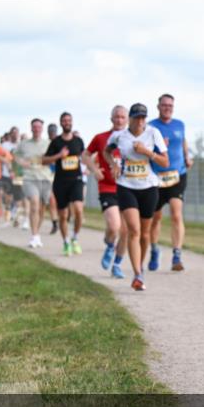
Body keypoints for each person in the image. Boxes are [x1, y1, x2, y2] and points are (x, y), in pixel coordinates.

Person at [104, 103, 169, 291]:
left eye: (143, 118)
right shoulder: (119, 136)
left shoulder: (153, 133)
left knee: (145, 233)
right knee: (133, 229)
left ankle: (140, 268)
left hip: (149, 187)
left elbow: (165, 161)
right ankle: (138, 274)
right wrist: (113, 165)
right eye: (137, 117)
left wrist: (147, 152)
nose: (140, 121)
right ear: (130, 119)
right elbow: (107, 152)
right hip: (126, 186)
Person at [85, 105, 130, 278]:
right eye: (116, 117)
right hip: (108, 187)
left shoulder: (132, 140)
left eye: (122, 117)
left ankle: (117, 264)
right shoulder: (101, 138)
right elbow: (85, 155)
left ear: (127, 120)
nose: (119, 120)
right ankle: (110, 245)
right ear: (111, 119)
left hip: (128, 188)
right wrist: (94, 170)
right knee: (114, 226)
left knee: (126, 231)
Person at [148, 93, 192, 272]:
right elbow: (145, 150)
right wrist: (159, 147)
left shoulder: (179, 125)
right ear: (158, 107)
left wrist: (188, 157)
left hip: (177, 175)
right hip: (156, 177)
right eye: (164, 105)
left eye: (170, 106)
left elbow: (183, 143)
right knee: (155, 217)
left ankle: (176, 255)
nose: (167, 108)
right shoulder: (150, 127)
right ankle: (154, 250)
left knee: (176, 213)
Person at [42, 112, 86, 256]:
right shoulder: (56, 142)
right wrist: (59, 156)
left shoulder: (78, 141)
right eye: (64, 121)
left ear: (72, 122)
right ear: (61, 123)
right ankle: (66, 242)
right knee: (63, 215)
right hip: (60, 182)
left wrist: (94, 168)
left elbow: (85, 157)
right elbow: (44, 160)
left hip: (76, 180)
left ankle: (75, 238)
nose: (67, 123)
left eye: (69, 120)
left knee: (78, 209)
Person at [16, 118, 55, 248]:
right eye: (35, 127)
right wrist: (21, 162)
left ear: (42, 129)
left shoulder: (48, 143)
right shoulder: (24, 144)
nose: (37, 129)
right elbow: (15, 155)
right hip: (30, 178)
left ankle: (37, 234)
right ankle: (34, 236)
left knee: (42, 209)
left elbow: (54, 159)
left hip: (45, 178)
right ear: (31, 128)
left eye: (39, 127)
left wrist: (47, 160)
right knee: (34, 203)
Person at [46, 122, 60, 235]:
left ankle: (62, 219)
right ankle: (55, 222)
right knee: (52, 199)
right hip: (48, 175)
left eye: (54, 132)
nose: (52, 134)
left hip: (62, 175)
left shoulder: (61, 143)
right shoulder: (45, 144)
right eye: (50, 132)